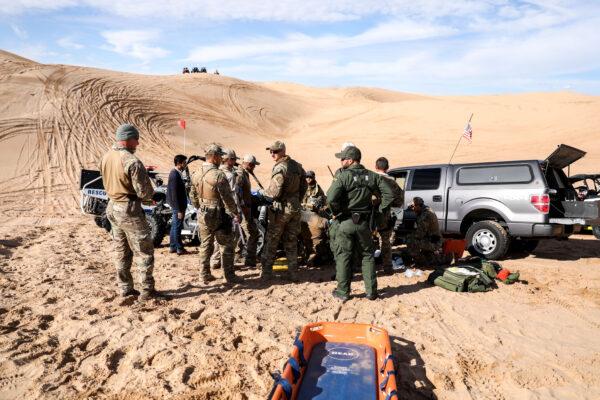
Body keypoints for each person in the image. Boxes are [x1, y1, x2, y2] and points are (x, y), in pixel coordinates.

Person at [99, 123, 168, 301]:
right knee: (144, 251)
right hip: (129, 209)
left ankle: (126, 288)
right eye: (136, 140)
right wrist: (151, 198)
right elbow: (144, 192)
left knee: (121, 250)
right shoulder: (131, 161)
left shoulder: (106, 156)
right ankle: (147, 291)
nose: (137, 143)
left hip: (112, 206)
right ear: (129, 139)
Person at [326, 145, 394, 301]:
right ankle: (371, 292)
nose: (341, 161)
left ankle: (343, 292)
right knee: (367, 256)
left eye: (343, 158)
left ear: (350, 160)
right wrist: (380, 211)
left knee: (344, 256)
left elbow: (330, 199)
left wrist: (336, 211)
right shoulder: (372, 176)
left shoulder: (343, 176)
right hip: (364, 222)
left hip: (345, 221)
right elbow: (389, 194)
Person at [189, 144, 243, 285]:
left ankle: (204, 274)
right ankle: (229, 275)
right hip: (218, 213)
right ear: (213, 157)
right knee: (226, 245)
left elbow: (192, 194)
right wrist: (235, 212)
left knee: (205, 244)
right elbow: (227, 198)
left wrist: (199, 206)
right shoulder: (219, 175)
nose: (221, 158)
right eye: (220, 156)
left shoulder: (196, 172)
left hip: (203, 212)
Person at [259, 140, 307, 282]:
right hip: (295, 208)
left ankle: (266, 273)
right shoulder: (297, 166)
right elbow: (304, 186)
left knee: (272, 240)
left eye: (275, 151)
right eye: (271, 151)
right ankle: (293, 273)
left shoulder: (281, 167)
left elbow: (274, 192)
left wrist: (262, 193)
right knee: (291, 241)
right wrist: (296, 199)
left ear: (282, 151)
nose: (272, 154)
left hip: (281, 209)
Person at [209, 149, 242, 268]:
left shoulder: (217, 172)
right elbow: (232, 195)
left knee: (219, 237)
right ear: (227, 160)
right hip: (229, 209)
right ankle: (226, 263)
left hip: (220, 208)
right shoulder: (228, 175)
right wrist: (236, 211)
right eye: (232, 159)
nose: (234, 162)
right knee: (231, 237)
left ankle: (215, 260)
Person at [374, 157, 404, 273]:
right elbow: (399, 201)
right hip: (385, 216)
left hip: (368, 216)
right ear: (387, 168)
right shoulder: (393, 183)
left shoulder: (370, 179)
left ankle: (365, 267)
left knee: (365, 241)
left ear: (376, 167)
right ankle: (387, 268)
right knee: (385, 241)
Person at [236, 154, 261, 267]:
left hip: (245, 210)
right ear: (249, 165)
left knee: (242, 235)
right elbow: (237, 193)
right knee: (252, 233)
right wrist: (243, 207)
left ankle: (238, 257)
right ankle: (249, 260)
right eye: (253, 166)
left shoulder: (244, 174)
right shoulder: (240, 175)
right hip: (243, 211)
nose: (254, 168)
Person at [405, 197, 444, 266]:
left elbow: (420, 234)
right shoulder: (426, 209)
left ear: (418, 206)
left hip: (434, 242)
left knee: (410, 241)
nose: (412, 209)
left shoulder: (425, 215)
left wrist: (410, 235)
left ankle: (421, 262)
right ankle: (430, 257)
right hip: (433, 239)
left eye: (413, 207)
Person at [300, 171, 328, 266]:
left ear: (313, 178)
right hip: (303, 214)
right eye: (307, 177)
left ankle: (316, 256)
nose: (308, 179)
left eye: (310, 177)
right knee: (305, 237)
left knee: (315, 239)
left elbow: (323, 200)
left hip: (313, 215)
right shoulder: (301, 187)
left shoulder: (317, 189)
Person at [167, 154, 188, 255]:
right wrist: (179, 209)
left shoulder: (177, 173)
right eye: (184, 163)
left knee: (174, 226)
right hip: (178, 206)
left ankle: (172, 246)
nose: (185, 165)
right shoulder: (174, 174)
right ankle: (179, 248)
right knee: (177, 227)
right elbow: (174, 194)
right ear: (179, 163)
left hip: (178, 206)